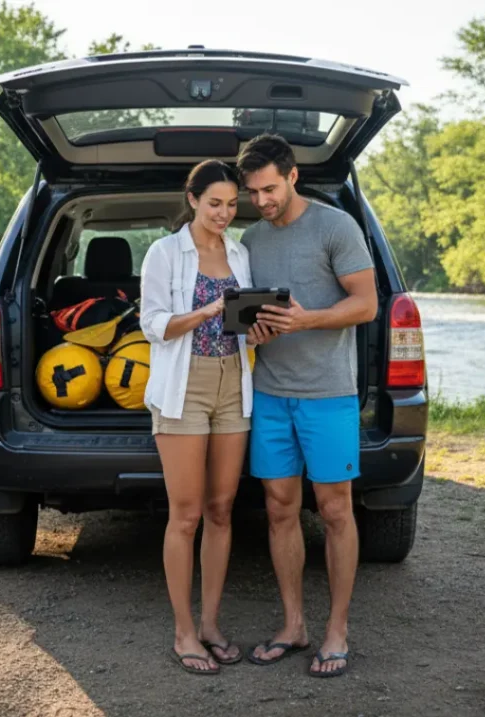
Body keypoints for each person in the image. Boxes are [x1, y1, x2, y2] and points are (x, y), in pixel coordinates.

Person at [237, 134, 378, 678]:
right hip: (271, 393)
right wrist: (256, 333)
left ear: (293, 176)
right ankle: (294, 625)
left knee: (336, 510)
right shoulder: (250, 237)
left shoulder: (335, 226)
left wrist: (306, 319)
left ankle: (336, 631)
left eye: (269, 188)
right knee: (278, 509)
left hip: (328, 394)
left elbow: (366, 305)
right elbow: (250, 315)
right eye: (253, 192)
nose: (262, 201)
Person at [139, 159, 273, 675]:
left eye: (232, 204)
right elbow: (152, 323)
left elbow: (242, 324)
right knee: (187, 514)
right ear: (192, 199)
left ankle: (212, 623)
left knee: (222, 509)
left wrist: (255, 329)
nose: (224, 213)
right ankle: (184, 631)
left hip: (232, 383)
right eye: (214, 203)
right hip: (184, 385)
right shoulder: (165, 252)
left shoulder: (239, 252)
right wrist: (206, 312)